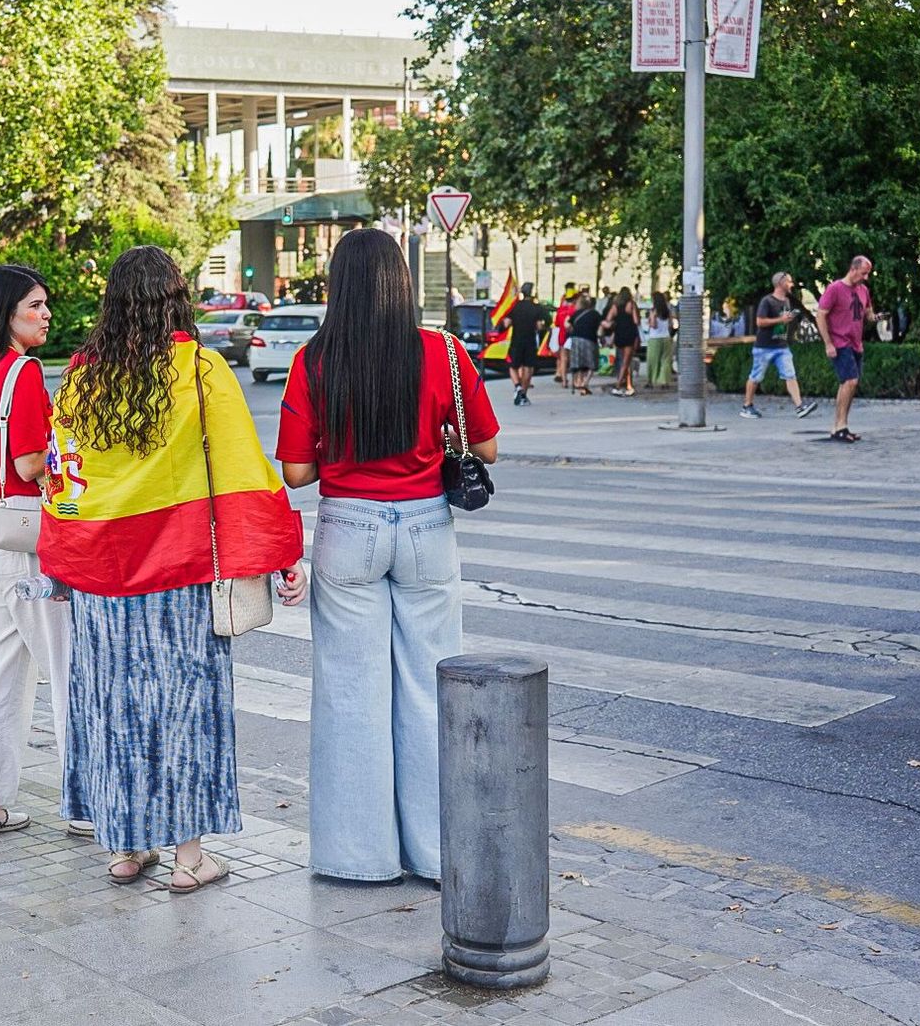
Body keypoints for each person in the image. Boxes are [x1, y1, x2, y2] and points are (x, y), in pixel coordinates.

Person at [39, 246, 308, 891]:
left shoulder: (81, 379)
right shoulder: (200, 374)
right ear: (175, 299)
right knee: (184, 706)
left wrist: (63, 564)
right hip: (181, 574)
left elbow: (63, 481)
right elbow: (244, 472)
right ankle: (190, 860)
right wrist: (280, 552)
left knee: (113, 705)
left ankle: (126, 848)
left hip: (104, 581)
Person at [276, 228, 500, 885]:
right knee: (430, 690)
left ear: (336, 286)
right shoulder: (443, 352)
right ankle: (435, 852)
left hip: (348, 528)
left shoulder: (315, 360)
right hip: (427, 526)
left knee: (351, 695)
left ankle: (359, 856)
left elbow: (294, 472)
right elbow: (486, 448)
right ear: (401, 281)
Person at [0, 265, 86, 840]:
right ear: (7, 313)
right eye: (35, 305)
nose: (46, 314)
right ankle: (87, 803)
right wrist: (70, 445)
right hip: (27, 534)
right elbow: (32, 463)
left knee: (1, 669)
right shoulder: (24, 373)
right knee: (68, 667)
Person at [813, 256, 877, 442]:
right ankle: (840, 426)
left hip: (857, 344)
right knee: (850, 381)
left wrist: (875, 317)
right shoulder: (835, 289)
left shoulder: (863, 289)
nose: (866, 277)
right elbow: (820, 315)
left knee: (849, 384)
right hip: (840, 342)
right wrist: (828, 343)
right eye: (864, 273)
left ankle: (840, 426)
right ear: (853, 269)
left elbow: (868, 312)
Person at [740, 272, 819, 419]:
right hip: (764, 346)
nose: (792, 284)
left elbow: (782, 323)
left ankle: (799, 406)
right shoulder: (767, 301)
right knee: (756, 376)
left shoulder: (787, 301)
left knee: (790, 375)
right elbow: (760, 322)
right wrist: (780, 320)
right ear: (781, 283)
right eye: (789, 282)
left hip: (781, 346)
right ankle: (747, 406)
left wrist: (787, 323)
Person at [505, 282, 550, 406]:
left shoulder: (515, 307)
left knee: (513, 366)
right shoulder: (537, 308)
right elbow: (547, 321)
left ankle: (517, 386)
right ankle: (523, 393)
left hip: (516, 340)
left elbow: (506, 323)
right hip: (530, 340)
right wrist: (541, 326)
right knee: (528, 367)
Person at [567, 289, 602, 396]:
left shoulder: (576, 313)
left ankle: (578, 382)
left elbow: (567, 325)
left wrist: (572, 331)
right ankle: (585, 383)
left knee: (579, 363)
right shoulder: (596, 314)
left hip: (576, 338)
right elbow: (600, 331)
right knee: (591, 363)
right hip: (590, 339)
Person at [607, 286, 640, 396]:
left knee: (622, 360)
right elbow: (636, 321)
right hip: (629, 334)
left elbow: (608, 319)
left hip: (619, 334)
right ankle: (618, 384)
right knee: (626, 362)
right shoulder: (631, 304)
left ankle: (628, 385)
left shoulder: (615, 306)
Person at [644, 292, 674, 389]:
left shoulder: (654, 311)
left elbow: (654, 325)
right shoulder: (667, 311)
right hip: (666, 337)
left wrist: (651, 319)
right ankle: (665, 382)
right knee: (665, 361)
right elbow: (671, 325)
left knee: (652, 360)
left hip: (655, 338)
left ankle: (651, 381)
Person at [552, 285, 577, 384]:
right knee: (573, 358)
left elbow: (557, 323)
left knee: (563, 358)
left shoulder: (560, 310)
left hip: (561, 336)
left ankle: (563, 381)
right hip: (572, 335)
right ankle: (575, 380)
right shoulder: (574, 310)